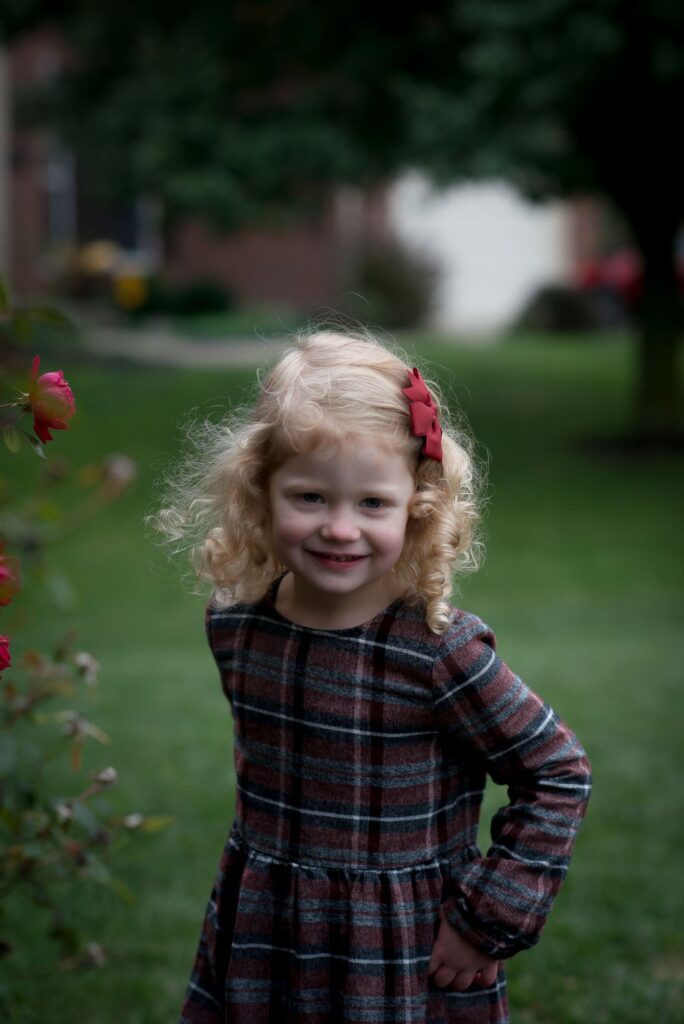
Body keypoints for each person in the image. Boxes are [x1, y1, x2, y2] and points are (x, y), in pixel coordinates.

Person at [152, 329, 592, 1024]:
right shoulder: (237, 625)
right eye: (311, 497)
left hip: (398, 951)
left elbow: (557, 772)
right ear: (260, 491)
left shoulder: (436, 653)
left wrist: (487, 920)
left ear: (417, 506)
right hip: (268, 931)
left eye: (372, 504)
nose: (340, 528)